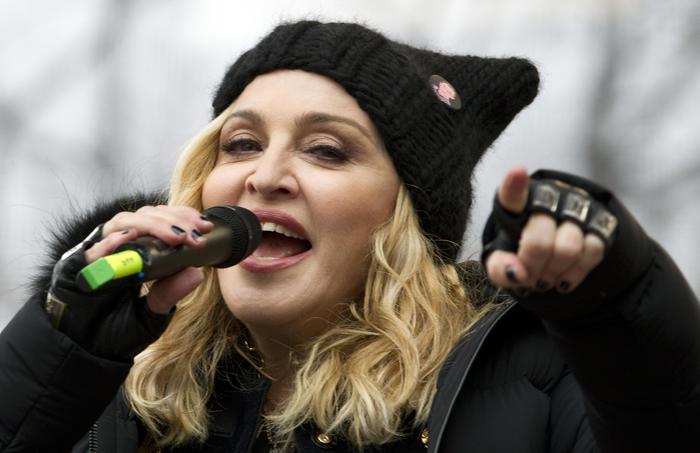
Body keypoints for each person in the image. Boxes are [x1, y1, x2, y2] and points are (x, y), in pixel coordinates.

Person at [1, 20, 699, 453]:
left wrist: (622, 305)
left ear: (403, 220)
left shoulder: (535, 383)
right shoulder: (121, 390)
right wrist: (59, 350)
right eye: (241, 143)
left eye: (327, 151)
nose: (265, 175)